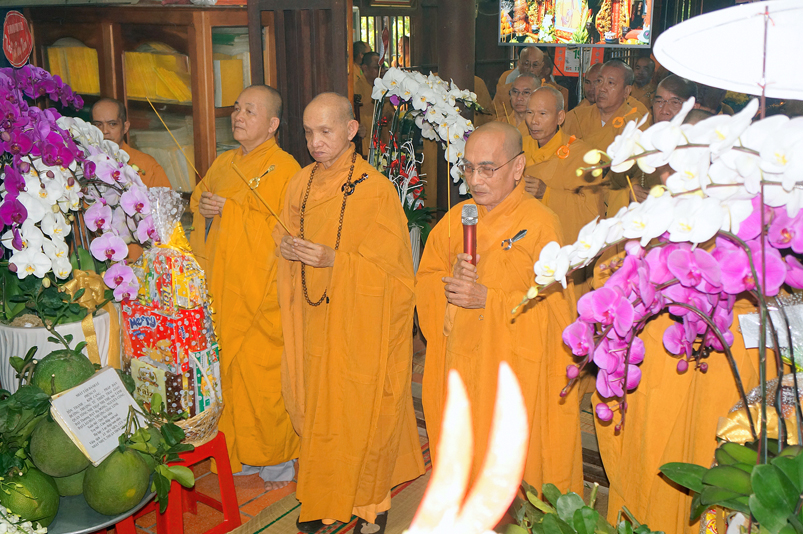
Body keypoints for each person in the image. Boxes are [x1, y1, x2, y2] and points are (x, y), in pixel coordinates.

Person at [275, 93, 425, 533]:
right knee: (318, 410)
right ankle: (321, 498)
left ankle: (369, 502)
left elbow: (397, 279)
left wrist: (335, 261)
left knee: (360, 409)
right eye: (308, 132)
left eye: (326, 131)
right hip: (313, 319)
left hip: (360, 325)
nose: (315, 142)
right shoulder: (299, 184)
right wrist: (286, 248)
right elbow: (281, 236)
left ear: (351, 130)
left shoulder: (375, 190)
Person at [417, 121, 583, 498]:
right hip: (461, 361)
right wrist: (448, 284)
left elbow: (556, 313)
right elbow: (425, 280)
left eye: (487, 168)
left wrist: (488, 300)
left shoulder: (541, 225)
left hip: (511, 370)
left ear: (518, 167)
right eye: (468, 167)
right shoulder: (456, 219)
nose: (475, 180)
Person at [189, 85, 302, 491]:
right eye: (237, 108)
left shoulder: (285, 169)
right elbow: (199, 203)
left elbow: (285, 231)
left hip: (262, 292)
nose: (238, 116)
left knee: (262, 377)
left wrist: (233, 212)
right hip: (224, 288)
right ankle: (238, 452)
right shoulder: (224, 162)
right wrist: (207, 209)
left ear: (272, 124)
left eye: (250, 111)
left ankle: (277, 461)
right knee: (230, 375)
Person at [562, 59, 650, 217]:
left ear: (626, 91)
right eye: (599, 81)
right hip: (578, 198)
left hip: (615, 203)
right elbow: (561, 156)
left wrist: (632, 186)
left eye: (610, 83)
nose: (601, 88)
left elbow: (642, 170)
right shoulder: (576, 117)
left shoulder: (635, 123)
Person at [523, 87, 603, 248]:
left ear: (560, 117)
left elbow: (591, 211)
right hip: (523, 238)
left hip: (558, 245)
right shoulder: (519, 147)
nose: (534, 121)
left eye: (542, 114)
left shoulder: (582, 155)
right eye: (530, 113)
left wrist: (546, 194)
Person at [91, 98, 171, 189]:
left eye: (112, 124)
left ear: (125, 127)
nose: (104, 131)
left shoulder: (148, 166)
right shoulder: (85, 164)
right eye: (98, 124)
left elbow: (164, 197)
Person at [493, 47, 544, 114]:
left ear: (542, 66)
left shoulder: (549, 92)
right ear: (519, 63)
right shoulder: (504, 92)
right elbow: (494, 116)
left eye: (535, 65)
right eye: (526, 64)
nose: (530, 69)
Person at [496, 74, 541, 138]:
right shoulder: (499, 124)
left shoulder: (541, 126)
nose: (519, 98)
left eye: (526, 92)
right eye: (515, 92)